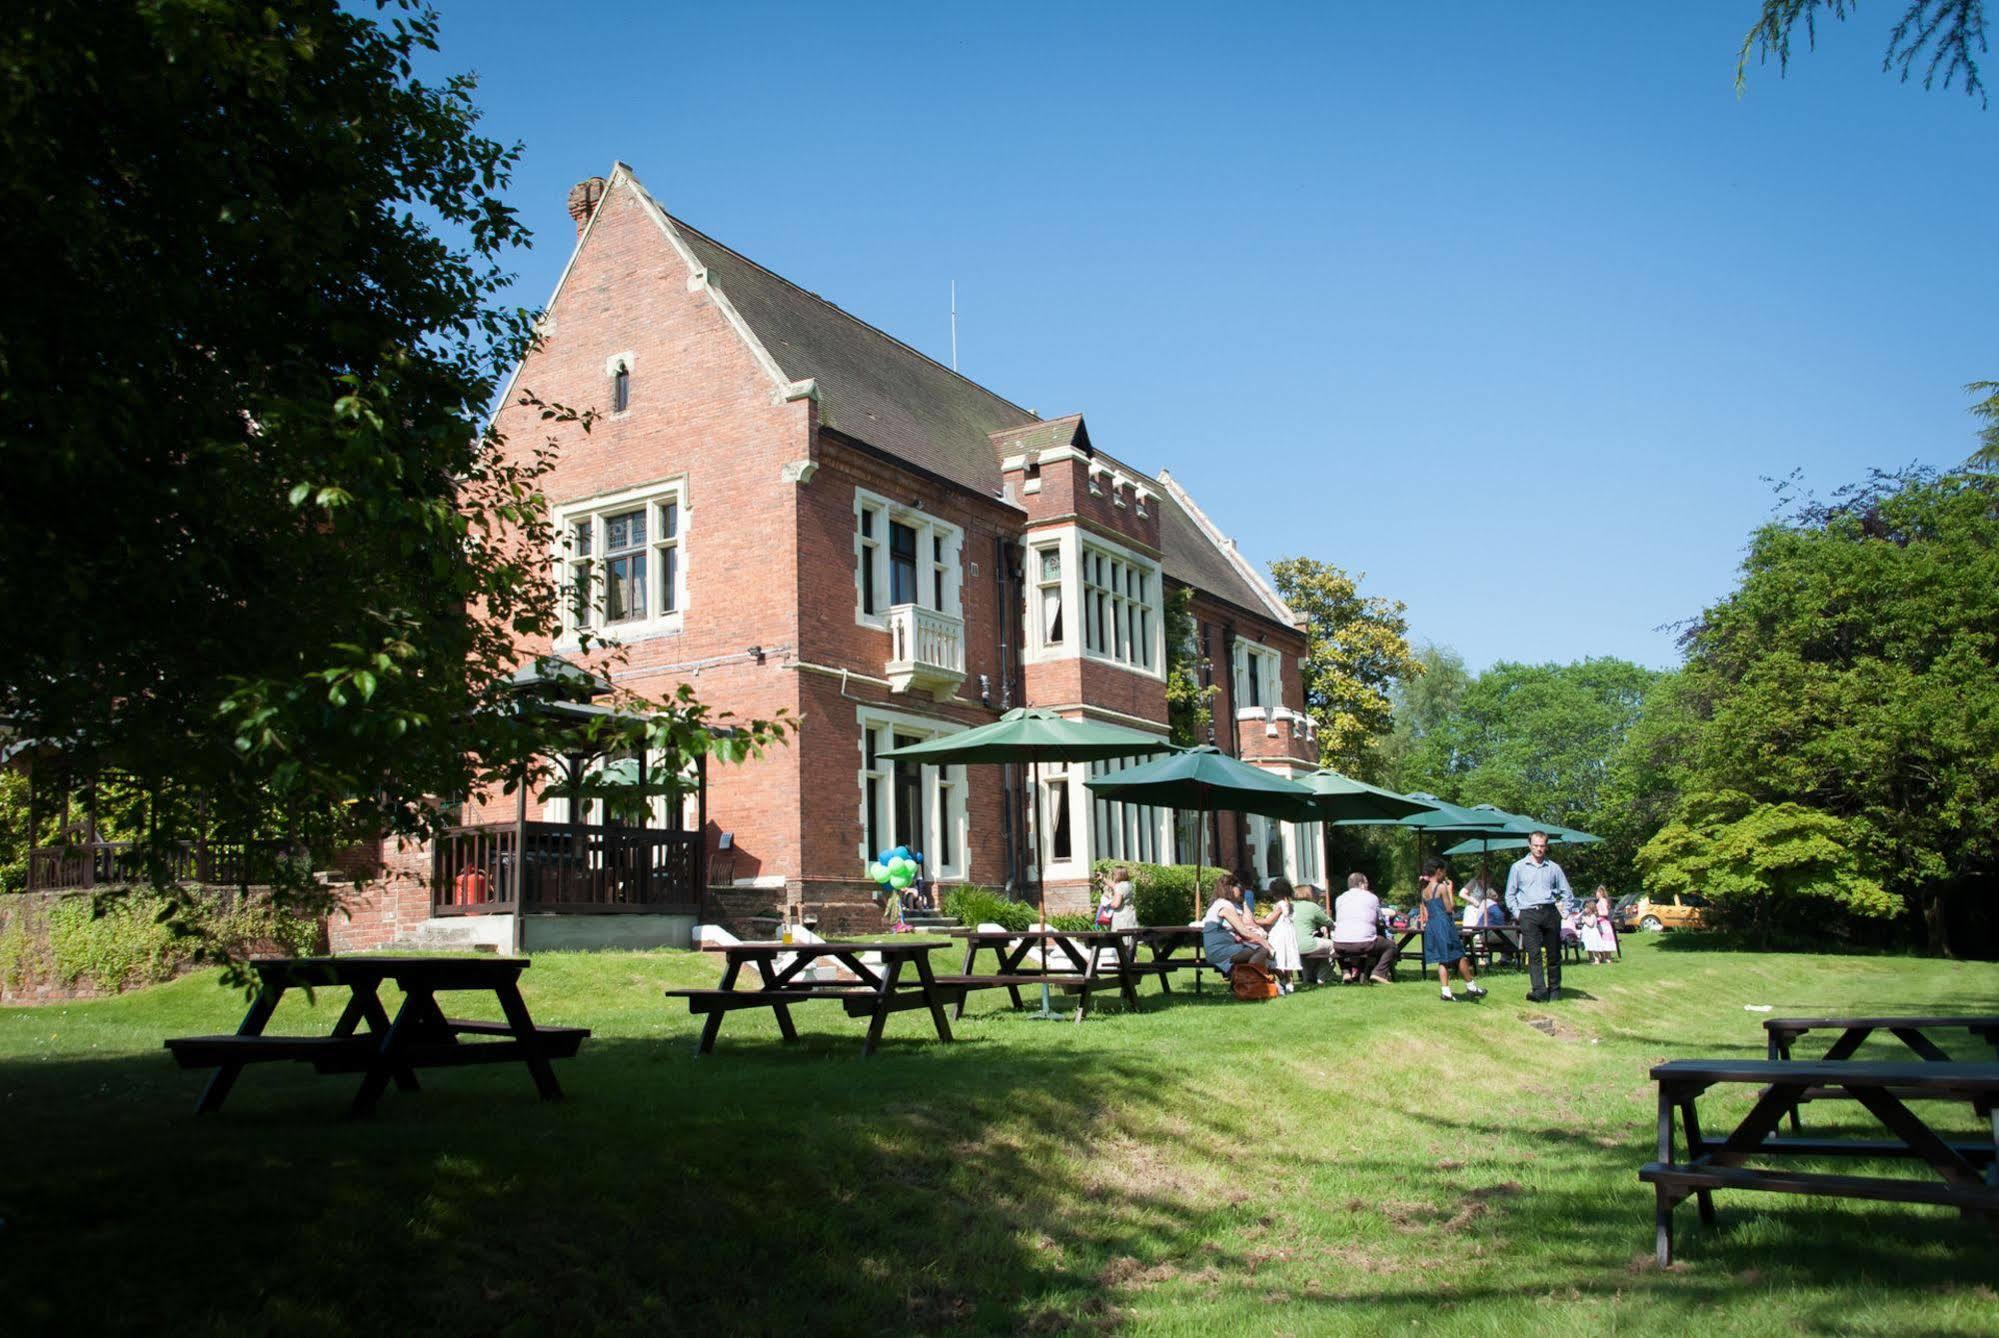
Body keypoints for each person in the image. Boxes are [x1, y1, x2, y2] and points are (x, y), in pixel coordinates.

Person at [1504, 830, 1577, 1002]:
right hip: (1528, 913)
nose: (1539, 849)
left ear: (1546, 846)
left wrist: (1564, 913)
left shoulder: (1553, 868)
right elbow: (1510, 894)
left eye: (1542, 846)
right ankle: (1539, 991)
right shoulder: (1518, 867)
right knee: (1534, 953)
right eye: (1536, 846)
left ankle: (1555, 991)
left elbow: (1567, 893)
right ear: (1529, 845)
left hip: (1550, 912)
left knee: (1554, 954)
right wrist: (1518, 913)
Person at [1417, 857, 1489, 1002]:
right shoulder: (1441, 887)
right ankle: (1471, 986)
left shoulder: (1424, 890)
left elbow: (1424, 911)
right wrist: (1450, 890)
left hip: (1432, 925)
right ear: (1438, 871)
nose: (1444, 874)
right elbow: (1449, 908)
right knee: (1459, 954)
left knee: (1442, 959)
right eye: (1443, 871)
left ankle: (1446, 991)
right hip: (1444, 923)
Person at [1332, 871, 1400, 985]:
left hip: (1339, 944)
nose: (1368, 886)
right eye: (1367, 883)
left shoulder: (1339, 898)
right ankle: (1378, 973)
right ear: (1361, 884)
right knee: (1391, 946)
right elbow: (1378, 920)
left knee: (1341, 942)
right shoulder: (1372, 897)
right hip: (1364, 944)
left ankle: (1346, 971)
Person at [1200, 871, 1270, 976]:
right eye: (1239, 887)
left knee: (1258, 949)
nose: (1241, 890)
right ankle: (1250, 981)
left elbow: (1248, 922)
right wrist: (1266, 944)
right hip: (1220, 951)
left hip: (1221, 949)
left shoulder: (1222, 903)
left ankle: (1247, 981)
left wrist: (1243, 902)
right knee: (1261, 950)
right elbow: (1244, 931)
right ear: (1231, 888)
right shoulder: (1224, 905)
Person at [1257, 875, 1302, 995]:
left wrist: (1253, 921)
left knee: (1273, 958)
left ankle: (1282, 979)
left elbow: (1269, 921)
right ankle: (1289, 982)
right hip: (1288, 933)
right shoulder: (1290, 904)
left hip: (1279, 934)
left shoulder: (1280, 904)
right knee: (1287, 958)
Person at [1290, 884, 1337, 983]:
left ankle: (1307, 979)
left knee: (1306, 955)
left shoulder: (1290, 905)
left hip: (1292, 945)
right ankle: (1321, 978)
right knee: (1334, 946)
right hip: (1307, 943)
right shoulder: (1312, 906)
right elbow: (1328, 922)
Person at [1582, 884, 1618, 964]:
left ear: (1601, 892)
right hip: (1600, 923)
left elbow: (1606, 912)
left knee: (1606, 940)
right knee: (1602, 941)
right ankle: (1604, 957)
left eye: (1597, 893)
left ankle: (1608, 958)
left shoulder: (1603, 901)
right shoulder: (1599, 901)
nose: (1596, 894)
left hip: (1604, 923)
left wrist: (1597, 913)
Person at [1109, 865, 1139, 932]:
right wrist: (1103, 878)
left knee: (1121, 939)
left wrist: (1109, 903)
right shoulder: (1129, 884)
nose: (1113, 876)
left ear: (1118, 875)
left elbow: (1116, 904)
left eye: (1114, 874)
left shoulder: (1119, 887)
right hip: (1130, 914)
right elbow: (1113, 885)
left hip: (1121, 917)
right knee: (1131, 937)